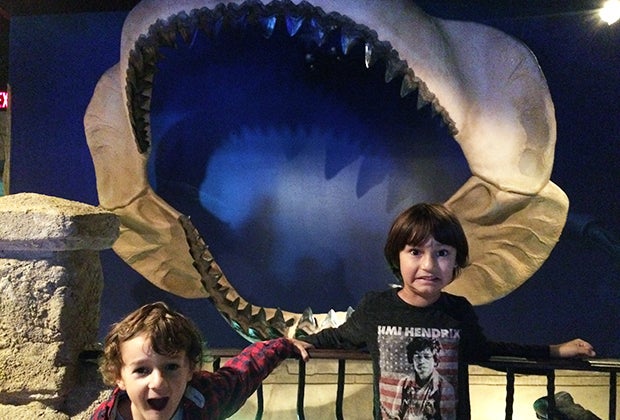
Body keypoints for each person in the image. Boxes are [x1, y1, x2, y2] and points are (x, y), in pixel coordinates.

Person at [295, 202, 595, 419]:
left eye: (442, 253)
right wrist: (287, 344)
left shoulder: (458, 312)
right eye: (415, 251)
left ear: (455, 261)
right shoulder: (376, 307)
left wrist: (554, 351)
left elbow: (490, 352)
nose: (428, 265)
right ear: (397, 257)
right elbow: (335, 338)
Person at [91, 301, 309, 420]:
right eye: (142, 370)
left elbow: (246, 370)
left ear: (190, 369)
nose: (158, 382)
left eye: (171, 367)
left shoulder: (206, 396)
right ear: (119, 376)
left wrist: (283, 345)